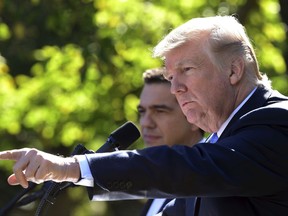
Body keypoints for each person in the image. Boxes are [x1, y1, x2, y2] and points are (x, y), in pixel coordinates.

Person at [0, 15, 288, 216]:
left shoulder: (275, 125)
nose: (175, 88)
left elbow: (182, 166)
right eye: (170, 76)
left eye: (186, 70)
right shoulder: (223, 146)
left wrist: (70, 167)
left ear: (234, 70)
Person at [138, 67, 204, 216]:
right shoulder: (159, 181)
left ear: (193, 118)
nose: (146, 123)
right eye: (142, 112)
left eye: (160, 111)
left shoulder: (212, 179)